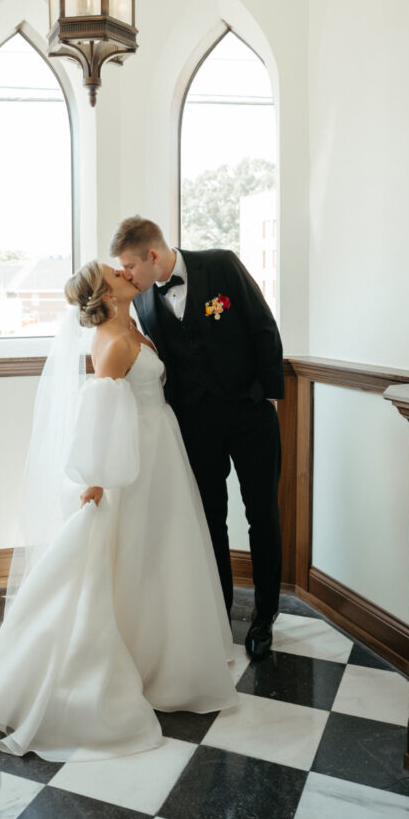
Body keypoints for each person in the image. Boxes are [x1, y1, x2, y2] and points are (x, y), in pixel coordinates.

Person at [0, 261, 237, 762]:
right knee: (134, 553)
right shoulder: (115, 343)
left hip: (161, 449)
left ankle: (165, 658)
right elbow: (99, 413)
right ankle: (119, 664)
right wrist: (96, 481)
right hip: (135, 460)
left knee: (162, 552)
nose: (125, 272)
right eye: (116, 273)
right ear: (108, 293)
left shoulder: (129, 325)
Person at [110, 216, 284, 661]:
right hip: (195, 425)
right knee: (210, 520)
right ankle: (217, 612)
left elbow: (263, 326)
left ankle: (265, 618)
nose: (126, 274)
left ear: (152, 255)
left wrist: (269, 399)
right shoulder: (144, 301)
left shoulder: (221, 265)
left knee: (262, 514)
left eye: (130, 265)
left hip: (250, 415)